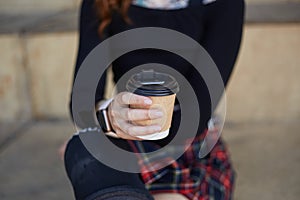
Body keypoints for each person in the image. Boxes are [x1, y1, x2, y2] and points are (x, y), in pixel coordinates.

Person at [64, 0, 245, 199]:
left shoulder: (223, 3)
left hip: (189, 145)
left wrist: (96, 131)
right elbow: (82, 100)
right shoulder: (101, 3)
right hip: (125, 131)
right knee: (83, 152)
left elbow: (195, 115)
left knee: (86, 155)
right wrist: (107, 119)